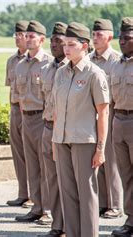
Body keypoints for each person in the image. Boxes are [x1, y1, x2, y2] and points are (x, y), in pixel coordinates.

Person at [52, 22, 109, 237]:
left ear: (84, 46)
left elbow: (103, 113)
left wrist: (101, 148)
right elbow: (57, 109)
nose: (66, 49)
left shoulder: (95, 74)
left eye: (71, 44)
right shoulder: (60, 73)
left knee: (87, 195)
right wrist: (55, 141)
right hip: (62, 140)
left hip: (85, 142)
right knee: (67, 194)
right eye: (64, 44)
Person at [14, 20, 53, 224]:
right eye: (26, 36)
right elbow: (19, 95)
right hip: (26, 118)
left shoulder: (48, 63)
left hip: (42, 118)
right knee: (32, 166)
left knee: (45, 166)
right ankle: (36, 207)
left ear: (42, 39)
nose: (28, 39)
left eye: (32, 36)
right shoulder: (21, 65)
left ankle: (48, 209)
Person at [37, 22, 68, 237]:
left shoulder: (72, 69)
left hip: (66, 132)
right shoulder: (47, 69)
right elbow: (44, 100)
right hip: (47, 128)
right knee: (52, 181)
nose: (53, 44)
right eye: (52, 40)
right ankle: (57, 225)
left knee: (67, 181)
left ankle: (70, 226)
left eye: (58, 40)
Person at [90, 18, 123, 219]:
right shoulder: (88, 59)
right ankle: (103, 202)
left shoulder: (116, 60)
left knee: (111, 162)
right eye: (93, 34)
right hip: (91, 116)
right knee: (97, 161)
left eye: (99, 34)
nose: (95, 38)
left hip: (110, 114)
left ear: (110, 36)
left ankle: (116, 204)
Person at [110, 17, 133, 237]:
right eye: (120, 37)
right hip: (119, 121)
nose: (122, 41)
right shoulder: (116, 64)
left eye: (127, 38)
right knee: (125, 174)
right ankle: (131, 220)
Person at [5, 20, 31, 208]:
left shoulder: (37, 60)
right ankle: (23, 192)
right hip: (15, 109)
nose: (18, 38)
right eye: (16, 35)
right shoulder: (12, 61)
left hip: (31, 112)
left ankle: (35, 196)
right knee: (18, 154)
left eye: (21, 35)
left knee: (33, 155)